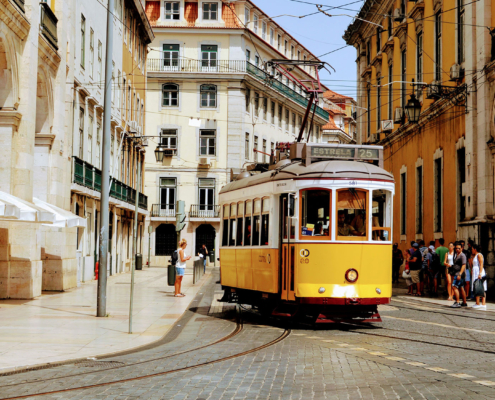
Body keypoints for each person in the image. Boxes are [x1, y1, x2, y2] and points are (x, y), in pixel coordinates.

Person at [451, 243, 468, 308]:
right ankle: (464, 302)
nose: (457, 249)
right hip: (457, 273)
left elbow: (464, 265)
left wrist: (460, 274)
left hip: (459, 274)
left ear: (462, 248)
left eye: (459, 248)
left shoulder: (462, 255)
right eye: (456, 248)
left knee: (454, 286)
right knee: (461, 287)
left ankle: (457, 302)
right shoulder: (457, 255)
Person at [471, 244, 487, 309]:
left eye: (472, 249)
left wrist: (480, 274)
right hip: (475, 272)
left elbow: (481, 264)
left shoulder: (479, 255)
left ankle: (482, 303)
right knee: (477, 286)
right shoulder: (475, 256)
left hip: (478, 272)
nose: (471, 250)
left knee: (481, 287)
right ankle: (477, 302)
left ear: (475, 249)